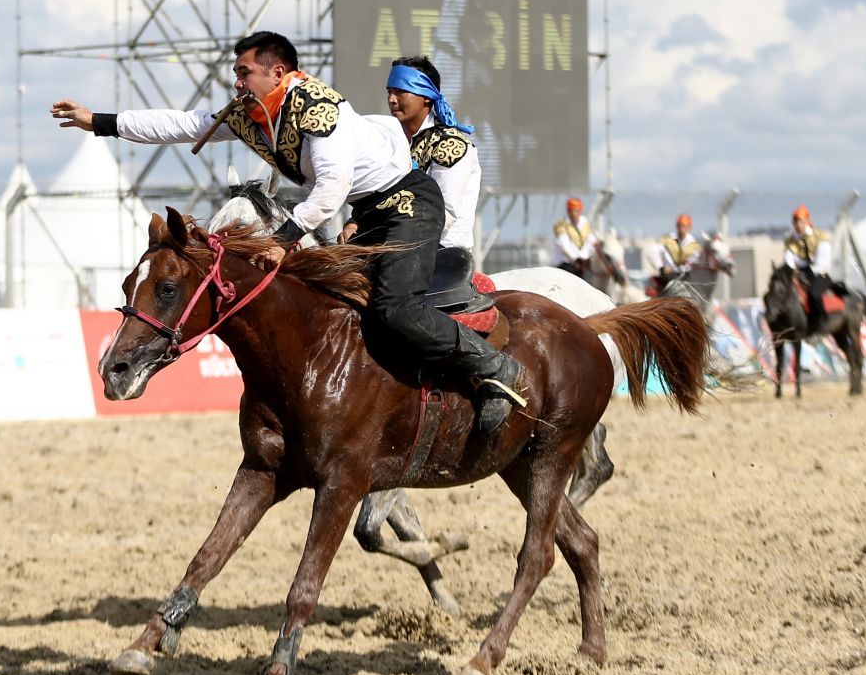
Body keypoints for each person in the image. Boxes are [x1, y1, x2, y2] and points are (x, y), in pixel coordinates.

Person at [51, 31, 525, 434]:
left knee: (394, 309)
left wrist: (283, 240)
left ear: (278, 74)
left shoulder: (320, 107)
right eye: (236, 75)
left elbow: (332, 186)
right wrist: (101, 123)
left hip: (408, 207)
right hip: (367, 211)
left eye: (244, 73)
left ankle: (494, 368)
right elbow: (184, 123)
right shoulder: (252, 114)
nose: (236, 83)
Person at [339, 56, 481, 252]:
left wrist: (373, 234)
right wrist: (355, 223)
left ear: (426, 96)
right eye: (389, 92)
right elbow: (379, 195)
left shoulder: (450, 145)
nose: (391, 99)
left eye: (400, 92)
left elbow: (443, 215)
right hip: (392, 244)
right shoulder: (390, 142)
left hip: (441, 254)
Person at [784, 204, 847, 330]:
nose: (798, 225)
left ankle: (822, 320)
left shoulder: (820, 236)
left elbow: (823, 261)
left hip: (819, 274)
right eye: (796, 222)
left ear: (807, 221)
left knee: (813, 294)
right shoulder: (791, 241)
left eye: (801, 222)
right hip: (799, 273)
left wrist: (809, 270)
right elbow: (789, 259)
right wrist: (791, 271)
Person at [649, 214, 702, 295]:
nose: (682, 229)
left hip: (687, 276)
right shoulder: (668, 239)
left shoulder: (693, 243)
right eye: (680, 226)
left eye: (685, 226)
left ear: (689, 228)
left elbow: (697, 260)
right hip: (669, 276)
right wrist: (661, 267)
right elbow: (652, 251)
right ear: (677, 227)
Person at [553, 197, 599, 277]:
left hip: (583, 263)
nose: (573, 214)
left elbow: (592, 241)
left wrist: (586, 257)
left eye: (576, 211)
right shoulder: (561, 225)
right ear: (568, 211)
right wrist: (576, 260)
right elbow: (564, 245)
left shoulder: (585, 224)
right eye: (571, 211)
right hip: (566, 263)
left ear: (580, 211)